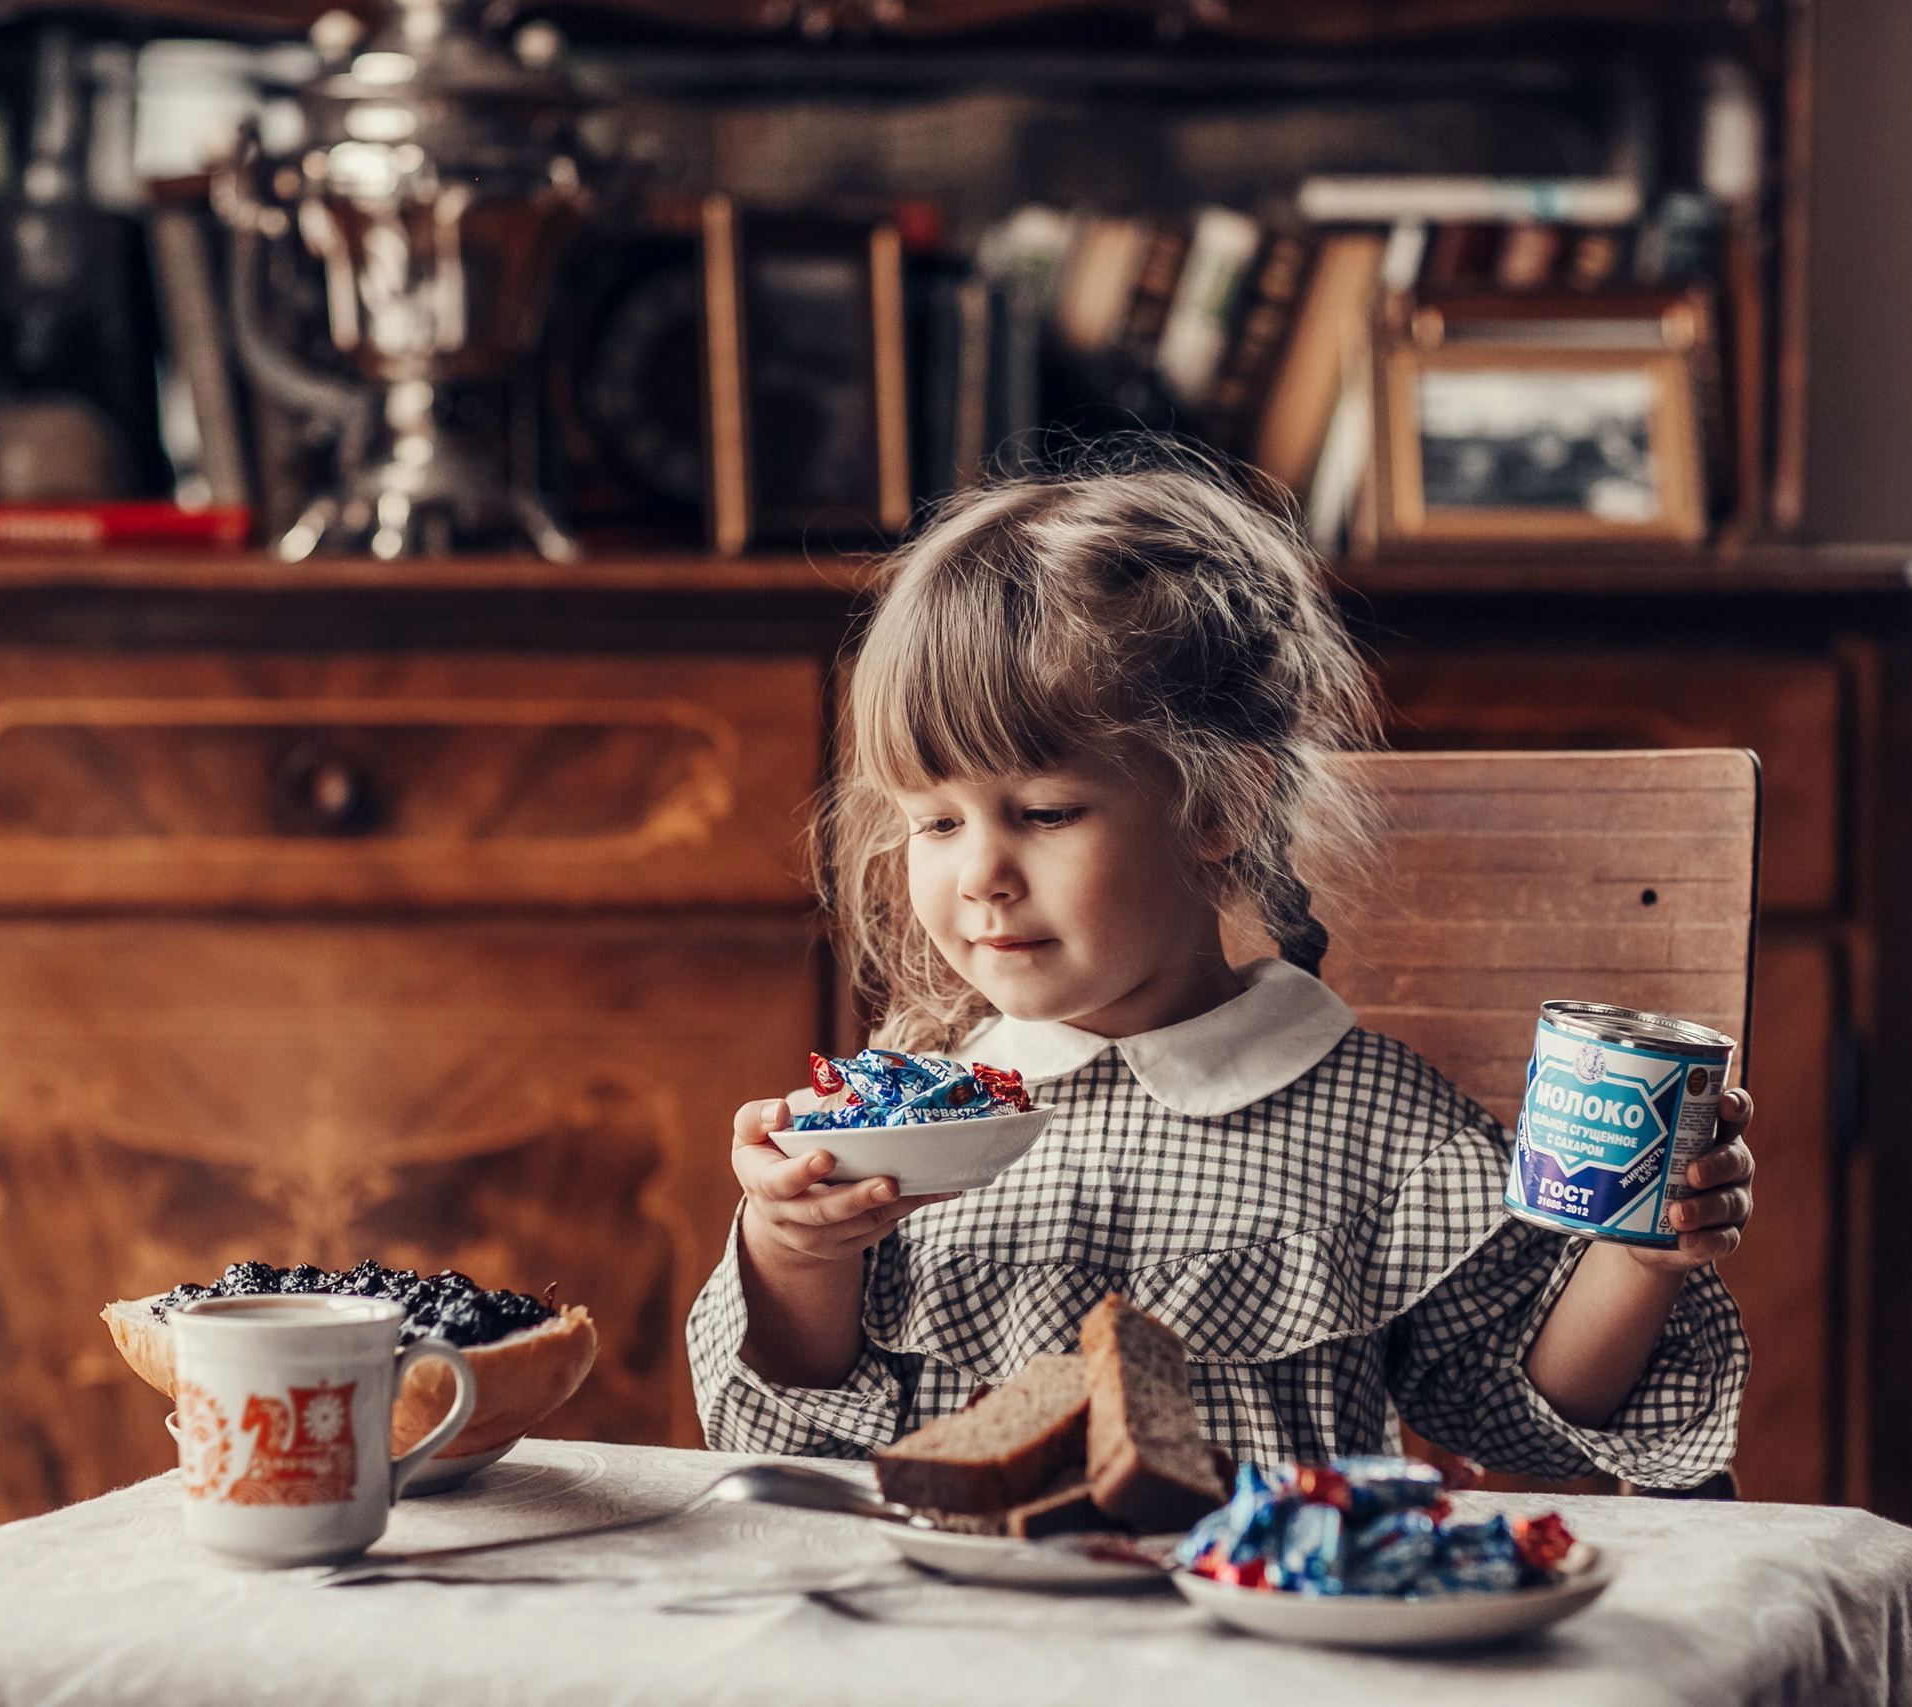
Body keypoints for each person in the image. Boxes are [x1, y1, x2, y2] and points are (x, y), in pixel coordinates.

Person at [685, 458, 1753, 1484]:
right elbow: (780, 1427)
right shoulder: (911, 1108)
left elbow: (1522, 1416)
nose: (980, 875)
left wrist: (1637, 1260)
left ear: (1220, 806)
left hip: (1256, 1644)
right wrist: (795, 1247)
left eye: (1045, 813)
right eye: (935, 821)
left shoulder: (1380, 1124)